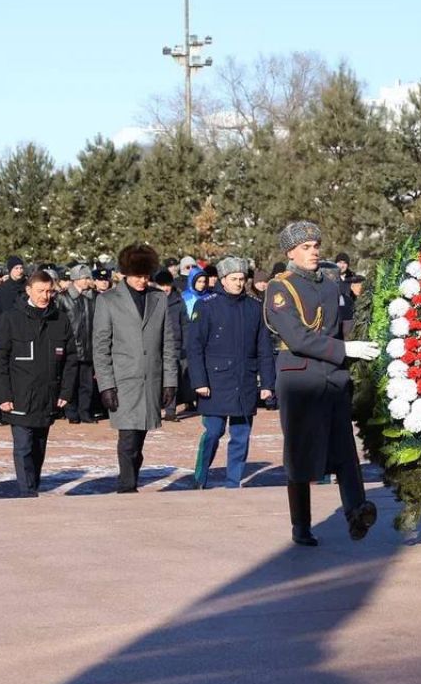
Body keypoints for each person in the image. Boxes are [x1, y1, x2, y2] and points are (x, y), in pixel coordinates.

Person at [265, 221, 380, 546]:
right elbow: (298, 337)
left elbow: (343, 325)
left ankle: (356, 512)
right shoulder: (280, 288)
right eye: (306, 247)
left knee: (344, 447)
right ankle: (301, 525)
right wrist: (345, 349)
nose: (314, 251)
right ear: (290, 252)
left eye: (316, 245)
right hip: (300, 376)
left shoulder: (330, 284)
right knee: (301, 452)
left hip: (332, 374)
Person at [92, 244, 178, 493]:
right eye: (138, 275)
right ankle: (126, 486)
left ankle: (131, 478)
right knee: (128, 438)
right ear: (125, 273)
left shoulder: (158, 298)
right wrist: (106, 385)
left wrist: (169, 380)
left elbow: (168, 342)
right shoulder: (108, 301)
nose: (142, 280)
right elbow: (101, 346)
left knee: (139, 439)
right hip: (123, 381)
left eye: (146, 275)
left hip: (151, 379)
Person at [187, 257, 276, 489]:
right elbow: (195, 347)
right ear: (223, 280)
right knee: (213, 432)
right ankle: (200, 478)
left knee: (241, 436)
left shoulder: (255, 307)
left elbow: (264, 348)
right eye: (233, 279)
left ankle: (233, 482)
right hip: (214, 382)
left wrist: (267, 384)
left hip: (244, 381)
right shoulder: (206, 305)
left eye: (241, 279)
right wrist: (199, 381)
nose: (238, 283)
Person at [0, 270, 79, 497]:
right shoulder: (10, 319)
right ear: (29, 290)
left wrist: (66, 391)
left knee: (38, 448)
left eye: (49, 291)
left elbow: (70, 359)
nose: (45, 296)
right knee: (23, 447)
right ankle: (26, 492)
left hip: (47, 396)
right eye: (41, 291)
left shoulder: (60, 319)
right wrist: (3, 395)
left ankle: (32, 486)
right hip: (19, 396)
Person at [57, 265, 98, 424]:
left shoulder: (93, 297)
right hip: (71, 347)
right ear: (76, 279)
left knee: (86, 384)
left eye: (89, 277)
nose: (89, 281)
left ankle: (85, 412)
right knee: (71, 383)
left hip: (89, 347)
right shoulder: (63, 298)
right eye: (85, 278)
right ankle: (71, 412)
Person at [152, 268, 186, 422]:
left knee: (172, 378)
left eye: (168, 285)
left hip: (175, 344)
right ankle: (154, 409)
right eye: (162, 285)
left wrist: (185, 343)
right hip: (154, 345)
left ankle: (171, 410)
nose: (165, 288)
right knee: (155, 378)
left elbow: (185, 324)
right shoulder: (150, 300)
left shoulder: (178, 300)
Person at [0, 256, 27, 320]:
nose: (20, 271)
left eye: (21, 268)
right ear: (10, 270)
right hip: (7, 325)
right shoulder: (1, 289)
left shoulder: (28, 286)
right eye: (16, 268)